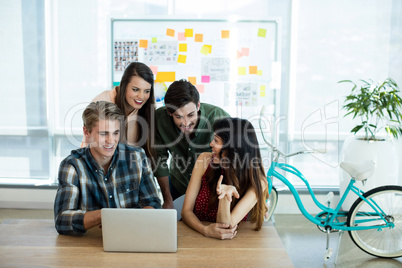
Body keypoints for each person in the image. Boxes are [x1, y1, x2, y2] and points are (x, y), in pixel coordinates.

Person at [54, 101, 161, 235]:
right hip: (91, 245)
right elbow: (62, 220)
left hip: (133, 237)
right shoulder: (72, 166)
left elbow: (154, 204)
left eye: (115, 133)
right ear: (86, 132)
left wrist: (129, 220)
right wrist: (105, 216)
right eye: (104, 134)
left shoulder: (137, 157)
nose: (111, 141)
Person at [181, 117, 268, 239]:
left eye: (216, 141)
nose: (211, 144)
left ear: (233, 149)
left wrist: (225, 196)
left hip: (228, 245)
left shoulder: (258, 182)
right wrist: (205, 230)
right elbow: (186, 211)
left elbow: (226, 226)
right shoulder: (204, 160)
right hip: (194, 234)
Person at [154, 79, 230, 209]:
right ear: (169, 112)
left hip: (211, 188)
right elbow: (159, 160)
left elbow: (240, 156)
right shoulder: (159, 119)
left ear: (198, 105)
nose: (185, 123)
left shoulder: (220, 117)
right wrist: (167, 198)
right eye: (178, 117)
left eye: (191, 115)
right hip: (178, 185)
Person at [87, 62, 155, 162]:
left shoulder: (146, 109)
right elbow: (90, 146)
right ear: (124, 85)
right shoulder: (101, 104)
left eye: (147, 91)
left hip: (130, 169)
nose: (141, 96)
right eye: (135, 89)